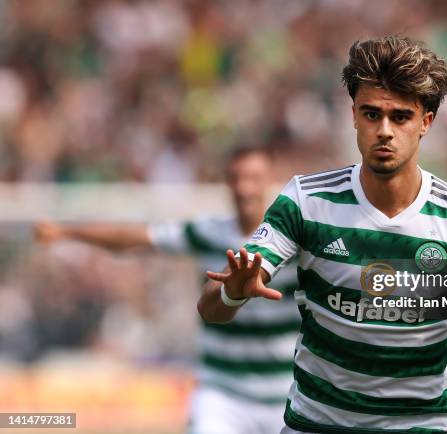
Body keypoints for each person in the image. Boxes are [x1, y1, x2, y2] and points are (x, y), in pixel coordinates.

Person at [198, 36, 447, 434]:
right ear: (353, 115)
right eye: (371, 115)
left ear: (426, 122)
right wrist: (233, 292)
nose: (384, 131)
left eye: (400, 117)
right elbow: (212, 310)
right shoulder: (306, 201)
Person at [35, 147, 301, 434]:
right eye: (236, 178)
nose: (244, 187)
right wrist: (68, 233)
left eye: (253, 177)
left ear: (270, 180)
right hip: (223, 394)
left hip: (283, 395)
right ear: (226, 182)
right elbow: (137, 238)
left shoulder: (293, 239)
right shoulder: (209, 232)